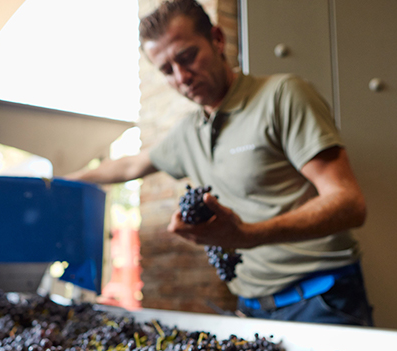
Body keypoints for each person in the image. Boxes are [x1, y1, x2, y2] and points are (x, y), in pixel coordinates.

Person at [64, 0, 372, 326]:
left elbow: (349, 203)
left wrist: (248, 235)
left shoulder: (283, 96)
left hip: (322, 300)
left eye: (187, 57)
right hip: (253, 310)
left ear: (217, 39)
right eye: (167, 70)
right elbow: (129, 167)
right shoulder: (188, 133)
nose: (182, 76)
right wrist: (59, 183)